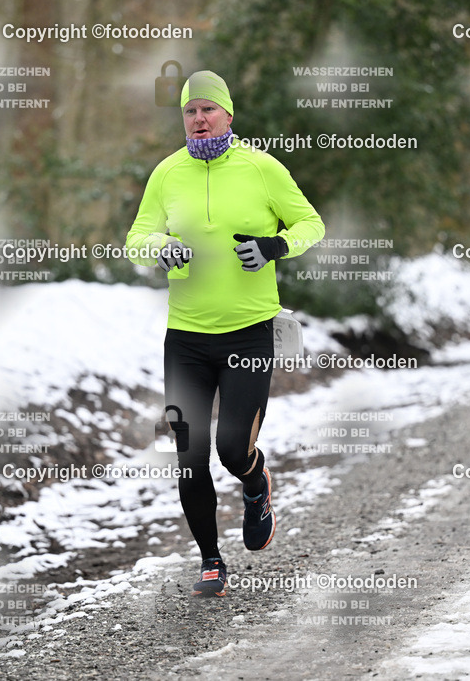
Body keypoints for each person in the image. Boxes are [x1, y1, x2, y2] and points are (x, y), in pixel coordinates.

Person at [125, 71, 325, 597]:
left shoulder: (262, 168)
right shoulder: (167, 173)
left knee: (233, 448)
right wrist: (160, 247)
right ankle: (212, 561)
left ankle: (256, 484)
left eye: (208, 109)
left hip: (248, 333)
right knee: (190, 457)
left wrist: (274, 246)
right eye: (190, 111)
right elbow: (136, 238)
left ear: (228, 114)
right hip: (186, 339)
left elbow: (311, 224)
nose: (199, 118)